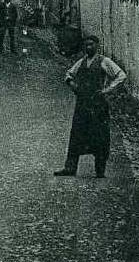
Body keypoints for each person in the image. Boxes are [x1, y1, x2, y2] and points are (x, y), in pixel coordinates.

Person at [54, 34, 126, 178]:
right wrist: (72, 83)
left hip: (98, 105)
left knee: (100, 136)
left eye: (91, 44)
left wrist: (107, 90)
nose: (88, 47)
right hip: (82, 104)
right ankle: (70, 168)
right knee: (77, 134)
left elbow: (121, 76)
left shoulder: (104, 61)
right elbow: (69, 74)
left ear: (97, 46)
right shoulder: (81, 62)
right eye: (86, 45)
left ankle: (100, 170)